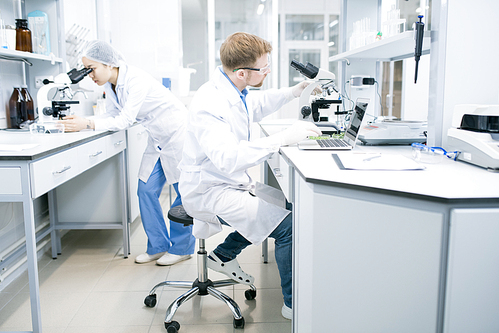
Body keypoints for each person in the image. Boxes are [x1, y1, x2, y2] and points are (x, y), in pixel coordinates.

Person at [178, 32, 321, 319]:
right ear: (243, 72)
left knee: (287, 205)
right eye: (264, 69)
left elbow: (255, 104)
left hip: (225, 182)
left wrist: (294, 91)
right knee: (288, 226)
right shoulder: (210, 103)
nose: (267, 72)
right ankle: (293, 304)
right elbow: (228, 158)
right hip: (208, 191)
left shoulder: (233, 89)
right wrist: (282, 138)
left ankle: (224, 254)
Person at [60, 40, 196, 266]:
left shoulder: (135, 79)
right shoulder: (109, 85)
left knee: (182, 192)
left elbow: (125, 119)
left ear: (109, 64)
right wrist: (86, 121)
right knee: (145, 190)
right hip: (157, 138)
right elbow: (112, 113)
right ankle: (159, 246)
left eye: (91, 68)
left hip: (177, 135)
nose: (89, 75)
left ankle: (182, 248)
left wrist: (88, 124)